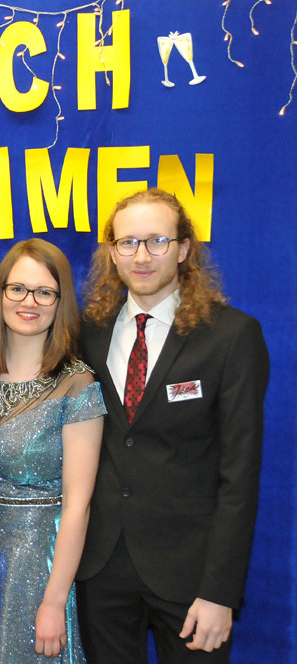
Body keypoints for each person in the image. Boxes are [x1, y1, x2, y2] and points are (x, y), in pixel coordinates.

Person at [76, 188, 270, 663]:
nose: (141, 256)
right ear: (112, 252)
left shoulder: (232, 336)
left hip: (192, 577)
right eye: (128, 242)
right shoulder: (88, 331)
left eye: (157, 241)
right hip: (101, 569)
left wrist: (220, 592)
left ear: (183, 248)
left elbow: (240, 475)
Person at [0, 239, 105, 663]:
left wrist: (54, 601)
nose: (28, 302)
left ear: (60, 301)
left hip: (33, 566)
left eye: (44, 292)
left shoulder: (77, 385)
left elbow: (77, 505)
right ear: (0, 293)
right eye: (17, 288)